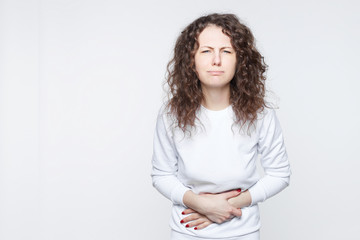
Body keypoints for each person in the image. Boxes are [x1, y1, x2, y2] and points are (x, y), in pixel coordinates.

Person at [151, 13, 291, 240]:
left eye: (226, 51)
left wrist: (226, 206)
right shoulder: (171, 114)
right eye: (206, 51)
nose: (216, 60)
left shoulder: (261, 114)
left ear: (240, 60)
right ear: (191, 60)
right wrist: (200, 204)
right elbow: (161, 174)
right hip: (187, 230)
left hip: (243, 232)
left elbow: (280, 174)